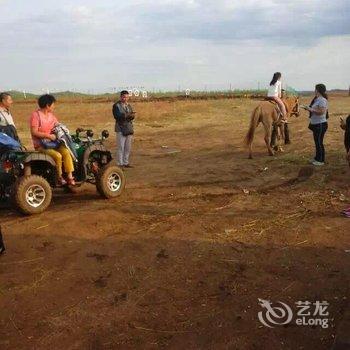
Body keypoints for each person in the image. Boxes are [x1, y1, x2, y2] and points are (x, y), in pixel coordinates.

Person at [30, 94, 75, 185]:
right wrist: (48, 136)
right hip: (41, 145)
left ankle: (70, 176)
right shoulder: (36, 115)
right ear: (47, 105)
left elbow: (57, 125)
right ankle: (59, 176)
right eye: (53, 104)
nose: (54, 106)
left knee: (66, 151)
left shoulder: (51, 116)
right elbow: (34, 132)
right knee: (57, 155)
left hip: (54, 144)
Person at [301, 84, 329, 166]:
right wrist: (308, 108)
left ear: (318, 90)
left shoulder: (322, 100)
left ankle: (321, 161)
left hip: (320, 125)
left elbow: (321, 112)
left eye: (315, 89)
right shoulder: (317, 99)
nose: (314, 90)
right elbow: (315, 109)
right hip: (316, 124)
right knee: (317, 142)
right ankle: (317, 158)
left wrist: (309, 109)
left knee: (319, 142)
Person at [112, 90, 135, 168]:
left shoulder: (128, 105)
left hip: (128, 128)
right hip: (120, 128)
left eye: (127, 97)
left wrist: (128, 115)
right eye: (124, 97)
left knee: (128, 147)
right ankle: (120, 164)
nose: (125, 99)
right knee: (120, 147)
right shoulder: (116, 106)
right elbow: (117, 116)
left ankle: (126, 162)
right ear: (121, 97)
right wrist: (128, 115)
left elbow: (131, 115)